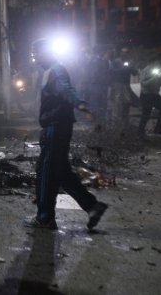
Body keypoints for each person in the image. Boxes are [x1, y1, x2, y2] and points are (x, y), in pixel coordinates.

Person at [26, 39, 108, 230]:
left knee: (45, 172)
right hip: (57, 126)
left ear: (45, 53)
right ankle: (92, 206)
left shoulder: (55, 70)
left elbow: (65, 89)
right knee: (60, 171)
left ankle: (45, 218)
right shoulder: (49, 71)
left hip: (55, 127)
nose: (34, 57)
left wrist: (79, 103)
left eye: (36, 53)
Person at [137, 61, 161, 137]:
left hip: (155, 94)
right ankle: (140, 132)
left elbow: (157, 82)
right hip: (147, 95)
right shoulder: (145, 71)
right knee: (146, 114)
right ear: (152, 63)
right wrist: (154, 78)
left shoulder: (155, 70)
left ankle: (158, 129)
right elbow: (143, 84)